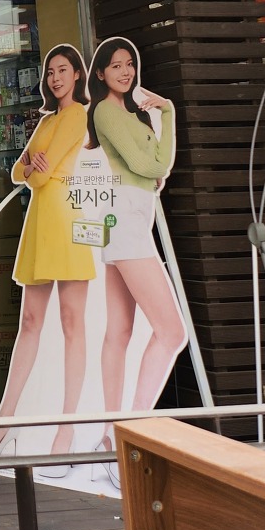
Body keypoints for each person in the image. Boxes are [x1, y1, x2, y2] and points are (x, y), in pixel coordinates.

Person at [0, 45, 93, 471]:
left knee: (73, 324)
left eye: (63, 70)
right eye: (50, 72)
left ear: (77, 75)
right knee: (31, 322)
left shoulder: (76, 115)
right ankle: (1, 431)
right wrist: (29, 166)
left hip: (65, 219)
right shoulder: (46, 120)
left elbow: (37, 175)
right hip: (42, 221)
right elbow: (17, 173)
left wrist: (32, 167)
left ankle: (66, 435)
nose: (55, 78)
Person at [87, 37, 186, 482]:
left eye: (129, 63)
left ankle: (110, 438)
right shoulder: (106, 111)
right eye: (115, 65)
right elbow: (151, 167)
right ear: (101, 73)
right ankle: (131, 433)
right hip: (126, 223)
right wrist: (163, 130)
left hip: (127, 221)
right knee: (171, 332)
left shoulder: (131, 114)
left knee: (120, 332)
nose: (125, 71)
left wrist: (166, 113)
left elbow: (160, 164)